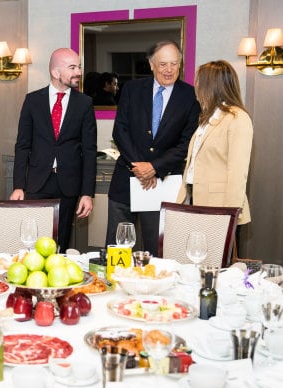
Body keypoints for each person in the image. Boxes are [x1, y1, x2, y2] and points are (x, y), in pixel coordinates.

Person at [106, 41, 200, 255]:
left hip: (162, 184)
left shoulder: (191, 96)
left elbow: (187, 143)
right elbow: (120, 131)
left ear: (180, 64)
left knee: (156, 251)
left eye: (174, 64)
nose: (169, 70)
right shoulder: (131, 89)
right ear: (151, 64)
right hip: (126, 181)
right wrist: (140, 167)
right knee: (117, 248)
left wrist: (154, 167)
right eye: (163, 64)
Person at [10, 48, 97, 253]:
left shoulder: (84, 103)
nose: (79, 72)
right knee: (32, 241)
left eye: (79, 67)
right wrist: (18, 186)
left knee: (60, 242)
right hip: (37, 182)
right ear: (55, 72)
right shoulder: (33, 100)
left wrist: (87, 193)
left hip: (68, 184)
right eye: (72, 67)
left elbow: (89, 150)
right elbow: (22, 145)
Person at [177, 60, 253, 232]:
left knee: (215, 259)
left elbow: (237, 173)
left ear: (211, 85)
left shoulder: (237, 118)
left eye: (198, 81)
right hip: (195, 199)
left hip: (219, 207)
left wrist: (229, 214)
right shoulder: (207, 118)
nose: (195, 86)